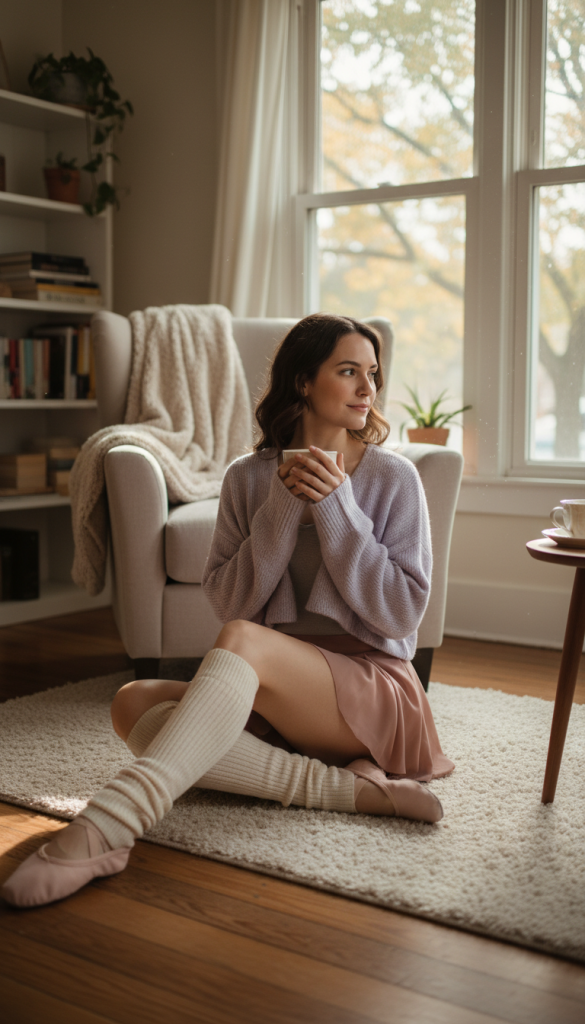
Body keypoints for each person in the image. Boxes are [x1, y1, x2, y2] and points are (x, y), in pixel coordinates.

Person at [2, 313, 454, 908]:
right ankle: (345, 791)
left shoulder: (396, 477)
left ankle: (106, 826)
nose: (368, 387)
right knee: (132, 703)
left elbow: (401, 616)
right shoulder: (246, 477)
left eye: (373, 373)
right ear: (303, 381)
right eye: (349, 371)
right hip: (276, 696)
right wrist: (280, 510)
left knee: (241, 640)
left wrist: (339, 507)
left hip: (373, 691)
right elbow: (229, 602)